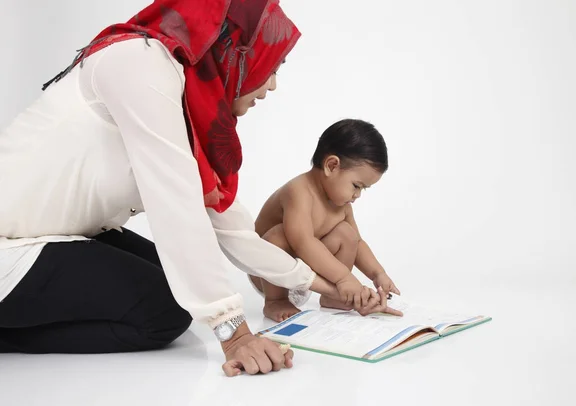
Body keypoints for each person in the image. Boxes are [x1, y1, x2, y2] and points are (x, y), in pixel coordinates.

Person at [0, 0, 396, 376]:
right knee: (164, 314)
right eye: (271, 64)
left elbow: (231, 229)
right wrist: (233, 332)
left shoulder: (181, 93)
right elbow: (176, 208)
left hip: (52, 232)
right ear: (236, 49)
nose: (272, 84)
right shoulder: (139, 65)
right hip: (10, 245)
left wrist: (336, 288)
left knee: (173, 289)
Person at [250, 119, 402, 322]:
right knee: (279, 235)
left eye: (363, 189)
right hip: (269, 275)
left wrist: (378, 274)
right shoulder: (299, 192)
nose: (357, 195)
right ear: (332, 166)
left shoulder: (342, 205)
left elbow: (357, 242)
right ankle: (275, 301)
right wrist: (344, 278)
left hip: (312, 274)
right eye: (356, 185)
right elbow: (302, 243)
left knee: (347, 234)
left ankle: (333, 297)